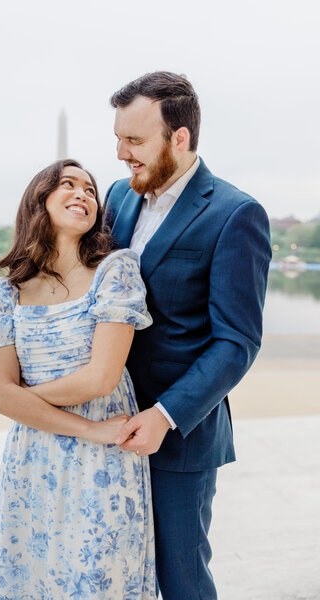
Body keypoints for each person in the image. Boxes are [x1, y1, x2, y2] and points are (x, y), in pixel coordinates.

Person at [104, 71, 272, 600]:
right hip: (104, 424)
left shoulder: (235, 214)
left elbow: (237, 341)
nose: (120, 153)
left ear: (179, 138)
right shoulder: (117, 195)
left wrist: (165, 415)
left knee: (179, 579)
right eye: (118, 137)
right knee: (114, 572)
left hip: (178, 437)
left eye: (134, 140)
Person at [0, 159, 157, 599]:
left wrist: (23, 400)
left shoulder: (116, 271)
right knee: (28, 574)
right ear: (39, 202)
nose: (83, 194)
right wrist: (78, 425)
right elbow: (0, 397)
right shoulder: (8, 291)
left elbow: (100, 377)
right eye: (67, 185)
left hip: (105, 459)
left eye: (90, 189)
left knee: (98, 577)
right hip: (33, 456)